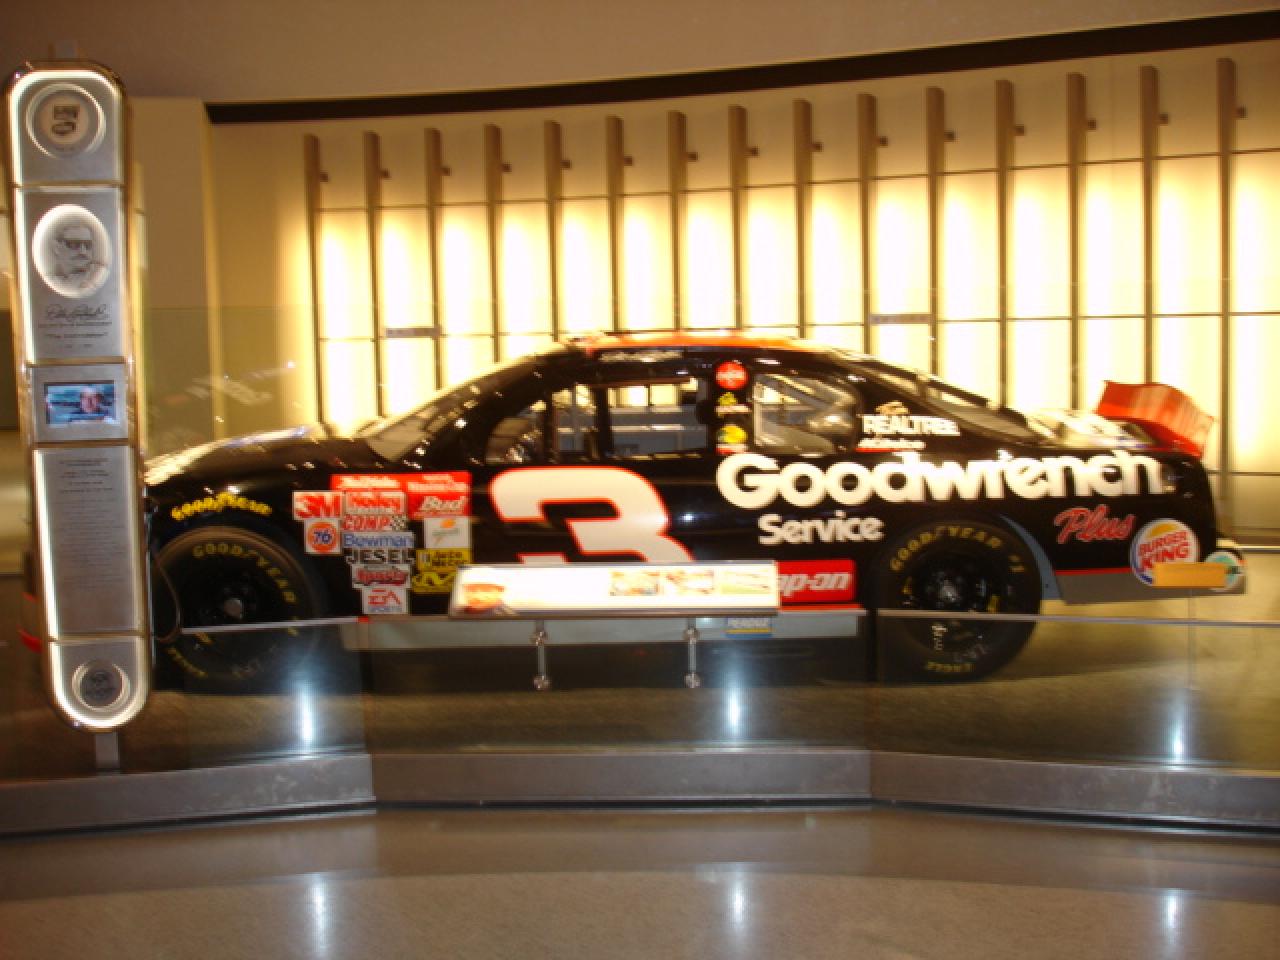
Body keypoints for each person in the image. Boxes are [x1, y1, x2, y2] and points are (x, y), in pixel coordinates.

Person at [48, 220, 109, 293]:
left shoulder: (100, 278)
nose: (83, 251)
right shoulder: (49, 282)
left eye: (87, 245)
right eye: (74, 244)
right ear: (56, 247)